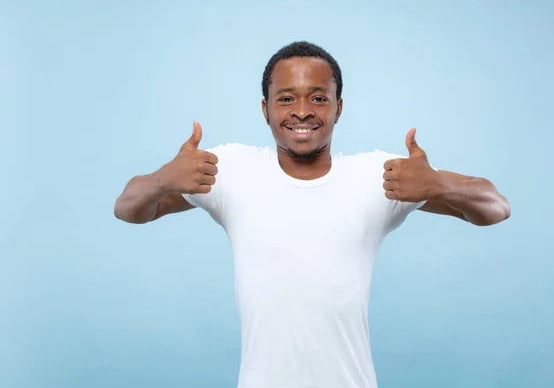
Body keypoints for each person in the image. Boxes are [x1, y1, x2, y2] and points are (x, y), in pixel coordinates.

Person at [114, 41, 510, 388]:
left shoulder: (379, 176)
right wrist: (163, 178)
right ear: (265, 109)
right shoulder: (230, 168)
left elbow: (495, 207)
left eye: (318, 98)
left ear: (338, 108)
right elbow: (129, 208)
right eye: (286, 98)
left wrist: (439, 184)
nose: (302, 111)